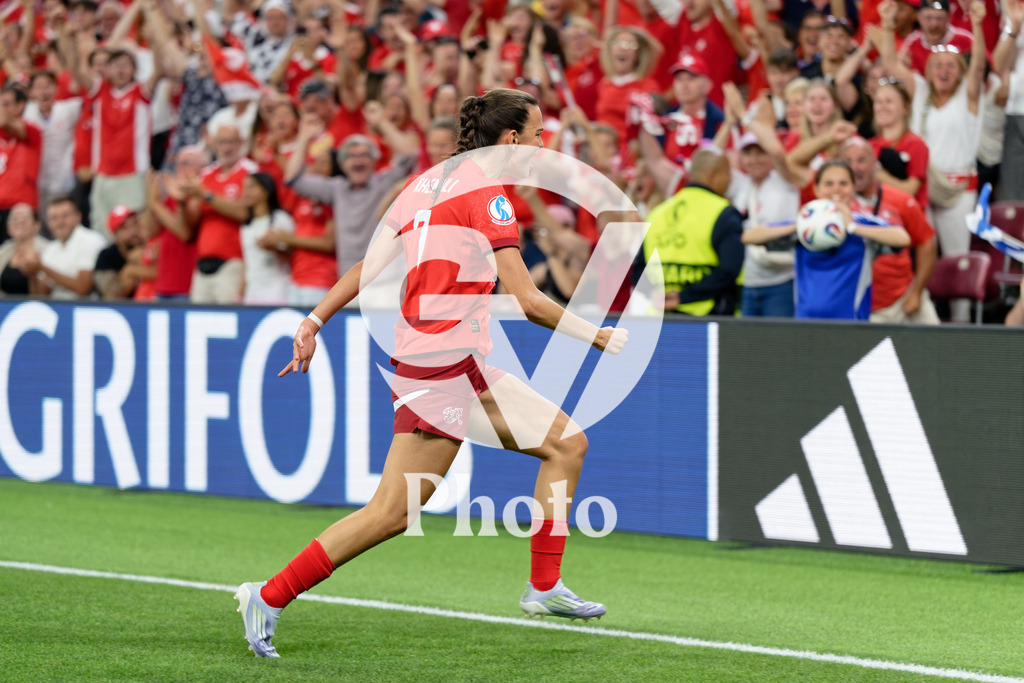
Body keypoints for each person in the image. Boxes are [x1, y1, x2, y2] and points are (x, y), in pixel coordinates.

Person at [235, 88, 628, 658]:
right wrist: (596, 335)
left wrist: (316, 318)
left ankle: (543, 588)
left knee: (566, 444)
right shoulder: (490, 197)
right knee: (393, 512)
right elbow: (529, 299)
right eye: (540, 134)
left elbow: (370, 263)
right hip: (439, 367)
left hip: (448, 360)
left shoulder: (428, 181)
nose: (546, 144)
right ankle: (268, 596)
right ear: (512, 140)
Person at [744, 160, 911, 320]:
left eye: (843, 183)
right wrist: (799, 225)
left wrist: (852, 227)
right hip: (806, 324)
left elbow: (902, 238)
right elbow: (750, 237)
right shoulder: (804, 225)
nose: (836, 189)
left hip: (851, 325)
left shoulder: (863, 223)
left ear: (853, 188)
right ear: (816, 189)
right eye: (828, 184)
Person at [840, 137, 940, 323]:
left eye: (861, 160)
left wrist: (916, 292)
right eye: (848, 162)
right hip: (863, 306)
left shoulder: (900, 200)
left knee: (938, 347)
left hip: (904, 298)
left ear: (874, 164)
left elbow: (927, 242)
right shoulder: (834, 206)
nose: (855, 167)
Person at [642, 147, 745, 315]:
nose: (730, 181)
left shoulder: (657, 213)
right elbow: (729, 270)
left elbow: (639, 268)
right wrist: (684, 296)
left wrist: (655, 295)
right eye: (728, 175)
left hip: (658, 317)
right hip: (707, 317)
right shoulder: (724, 213)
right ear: (713, 175)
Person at [33, 195, 108, 299]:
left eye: (65, 216)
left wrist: (42, 268)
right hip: (57, 307)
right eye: (54, 218)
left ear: (78, 217)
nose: (60, 222)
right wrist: (32, 273)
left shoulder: (90, 240)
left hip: (86, 309)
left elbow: (83, 288)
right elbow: (42, 294)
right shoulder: (51, 248)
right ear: (48, 223)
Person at [240, 172, 295, 305]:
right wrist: (240, 293)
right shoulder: (246, 225)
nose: (246, 192)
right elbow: (247, 263)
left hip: (276, 291)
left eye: (252, 187)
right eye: (245, 187)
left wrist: (273, 248)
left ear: (266, 190)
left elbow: (292, 257)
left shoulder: (281, 219)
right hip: (252, 292)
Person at [93, 205, 146, 299]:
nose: (133, 231)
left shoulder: (151, 247)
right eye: (125, 228)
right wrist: (132, 268)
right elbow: (110, 295)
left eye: (135, 224)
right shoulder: (106, 256)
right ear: (115, 234)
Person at [0, 203, 49, 295]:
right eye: (14, 218)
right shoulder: (4, 250)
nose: (18, 222)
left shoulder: (47, 249)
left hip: (36, 306)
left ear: (37, 225)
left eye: (23, 218)